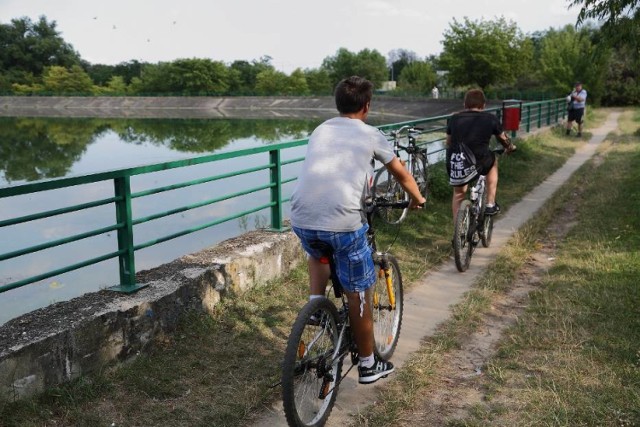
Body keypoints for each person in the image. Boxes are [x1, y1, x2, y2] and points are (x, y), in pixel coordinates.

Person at [290, 76, 426, 384]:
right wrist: (417, 199)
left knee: (318, 252)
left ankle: (317, 306)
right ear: (367, 106)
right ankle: (367, 364)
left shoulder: (321, 129)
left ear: (337, 104)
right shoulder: (372, 134)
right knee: (359, 294)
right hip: (343, 221)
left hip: (301, 216)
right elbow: (400, 173)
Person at [445, 88, 516, 222]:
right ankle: (490, 203)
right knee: (493, 162)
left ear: (465, 104)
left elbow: (448, 142)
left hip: (457, 161)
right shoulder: (490, 118)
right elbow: (503, 138)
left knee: (459, 193)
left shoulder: (454, 119)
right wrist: (510, 147)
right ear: (483, 105)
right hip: (480, 161)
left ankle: (457, 229)